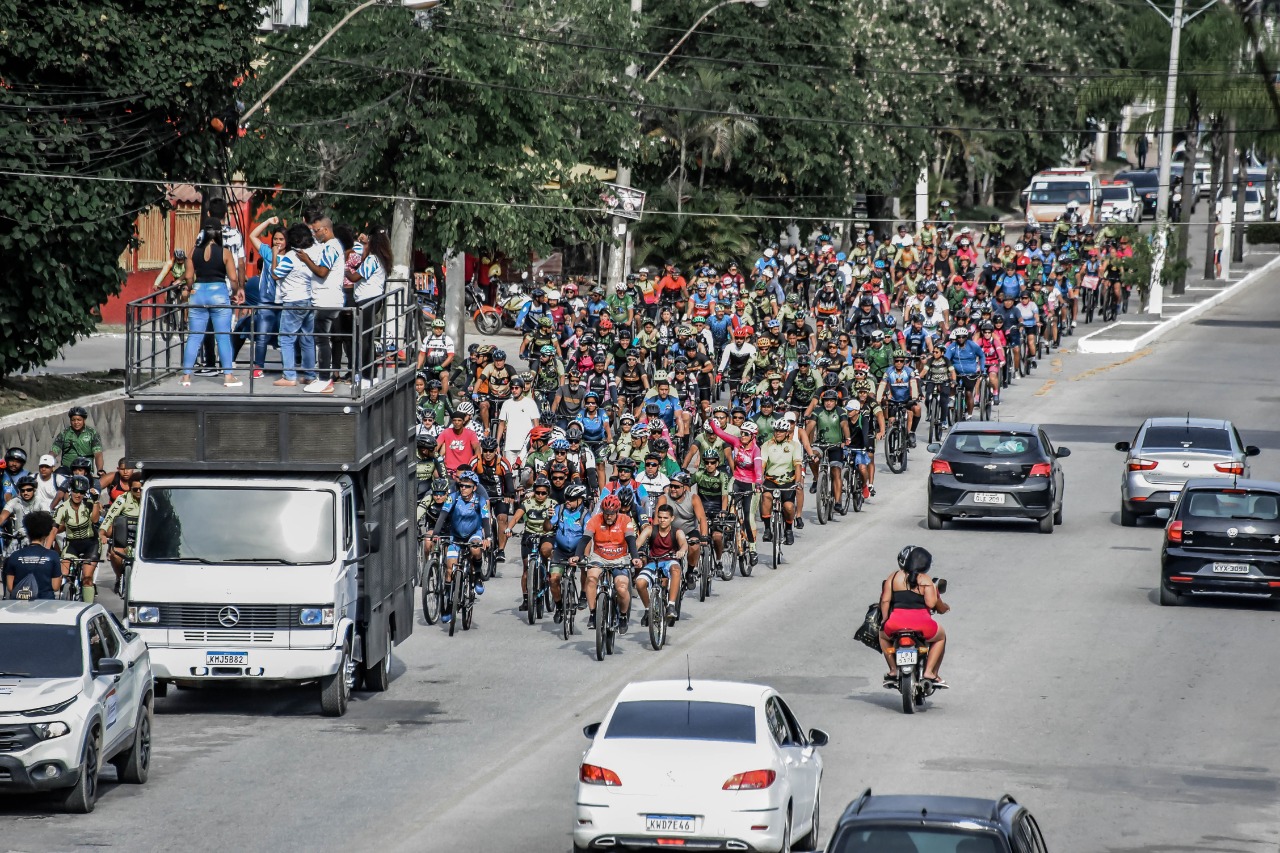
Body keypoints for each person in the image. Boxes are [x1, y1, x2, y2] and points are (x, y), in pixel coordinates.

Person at [180, 215, 245, 387]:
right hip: (219, 294)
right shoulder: (225, 253)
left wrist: (190, 287)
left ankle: (186, 377)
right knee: (223, 336)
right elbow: (232, 278)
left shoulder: (193, 251)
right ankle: (228, 377)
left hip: (198, 293)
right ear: (218, 233)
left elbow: (188, 276)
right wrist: (237, 291)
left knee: (194, 336)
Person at [424, 471, 493, 625]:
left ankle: (477, 579)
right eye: (461, 485)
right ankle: (448, 605)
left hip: (473, 534)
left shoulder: (480, 501)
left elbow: (485, 519)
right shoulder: (453, 498)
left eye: (467, 486)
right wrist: (435, 533)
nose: (463, 489)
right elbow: (443, 515)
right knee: (449, 569)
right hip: (455, 536)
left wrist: (487, 538)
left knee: (476, 549)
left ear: (474, 488)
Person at [879, 546, 950, 687]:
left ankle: (893, 669)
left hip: (895, 623)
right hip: (922, 625)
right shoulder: (925, 580)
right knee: (941, 637)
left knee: (882, 635)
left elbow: (885, 601)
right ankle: (930, 672)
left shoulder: (893, 577)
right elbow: (931, 603)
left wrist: (885, 619)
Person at [578, 494, 640, 633]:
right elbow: (585, 539)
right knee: (591, 578)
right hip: (599, 556)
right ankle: (593, 613)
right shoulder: (595, 520)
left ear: (617, 511)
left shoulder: (626, 520)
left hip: (620, 557)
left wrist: (635, 557)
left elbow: (630, 540)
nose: (608, 517)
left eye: (611, 514)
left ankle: (623, 615)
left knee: (622, 588)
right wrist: (577, 555)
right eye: (606, 513)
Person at [271, 223, 319, 388]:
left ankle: (289, 375)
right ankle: (310, 375)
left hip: (293, 301)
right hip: (308, 300)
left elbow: (275, 275)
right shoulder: (312, 254)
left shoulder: (291, 257)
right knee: (307, 339)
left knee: (286, 338)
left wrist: (274, 255)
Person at [708, 417, 762, 564]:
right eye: (742, 433)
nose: (742, 436)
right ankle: (730, 534)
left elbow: (758, 468)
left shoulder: (755, 450)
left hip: (751, 484)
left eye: (746, 434)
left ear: (753, 436)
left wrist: (758, 482)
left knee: (749, 517)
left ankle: (752, 548)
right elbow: (718, 432)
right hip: (737, 479)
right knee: (730, 510)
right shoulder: (736, 442)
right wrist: (710, 418)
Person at [635, 504, 686, 625]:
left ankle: (671, 606)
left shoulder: (677, 532)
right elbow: (637, 543)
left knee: (676, 570)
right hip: (654, 562)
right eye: (660, 517)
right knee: (639, 582)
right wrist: (634, 554)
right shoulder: (650, 529)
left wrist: (682, 551)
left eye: (665, 518)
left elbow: (684, 543)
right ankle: (648, 610)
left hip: (670, 560)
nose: (662, 520)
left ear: (672, 518)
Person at [54, 475, 101, 601]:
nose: (78, 495)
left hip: (91, 544)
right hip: (72, 544)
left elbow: (95, 520)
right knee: (62, 575)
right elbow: (54, 529)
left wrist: (96, 501)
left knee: (87, 578)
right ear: (70, 490)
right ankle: (66, 593)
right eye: (75, 491)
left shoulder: (90, 504)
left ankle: (88, 607)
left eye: (81, 492)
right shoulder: (63, 508)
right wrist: (46, 550)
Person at [759, 417, 804, 546]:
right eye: (776, 431)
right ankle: (767, 529)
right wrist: (758, 481)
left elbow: (797, 465)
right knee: (766, 496)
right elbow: (762, 464)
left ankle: (788, 530)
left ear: (787, 433)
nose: (778, 433)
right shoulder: (767, 445)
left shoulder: (794, 445)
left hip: (788, 481)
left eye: (781, 431)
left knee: (788, 507)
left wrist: (798, 482)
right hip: (771, 479)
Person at [99, 472, 143, 596]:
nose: (139, 491)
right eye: (135, 489)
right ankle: (119, 577)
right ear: (130, 488)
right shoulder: (122, 499)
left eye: (141, 489)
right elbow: (109, 516)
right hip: (124, 534)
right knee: (115, 554)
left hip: (142, 536)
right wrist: (102, 533)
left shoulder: (150, 497)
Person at [3, 510, 61, 600]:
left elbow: (10, 587)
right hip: (45, 604)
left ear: (28, 532)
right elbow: (55, 586)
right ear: (46, 534)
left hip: (19, 604)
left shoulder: (15, 556)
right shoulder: (53, 556)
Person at [51, 406, 105, 476]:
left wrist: (100, 470)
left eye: (79, 420)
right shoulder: (64, 433)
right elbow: (54, 450)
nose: (76, 422)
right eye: (73, 420)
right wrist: (48, 461)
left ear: (84, 420)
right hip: (67, 470)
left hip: (85, 470)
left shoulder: (92, 434)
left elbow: (98, 454)